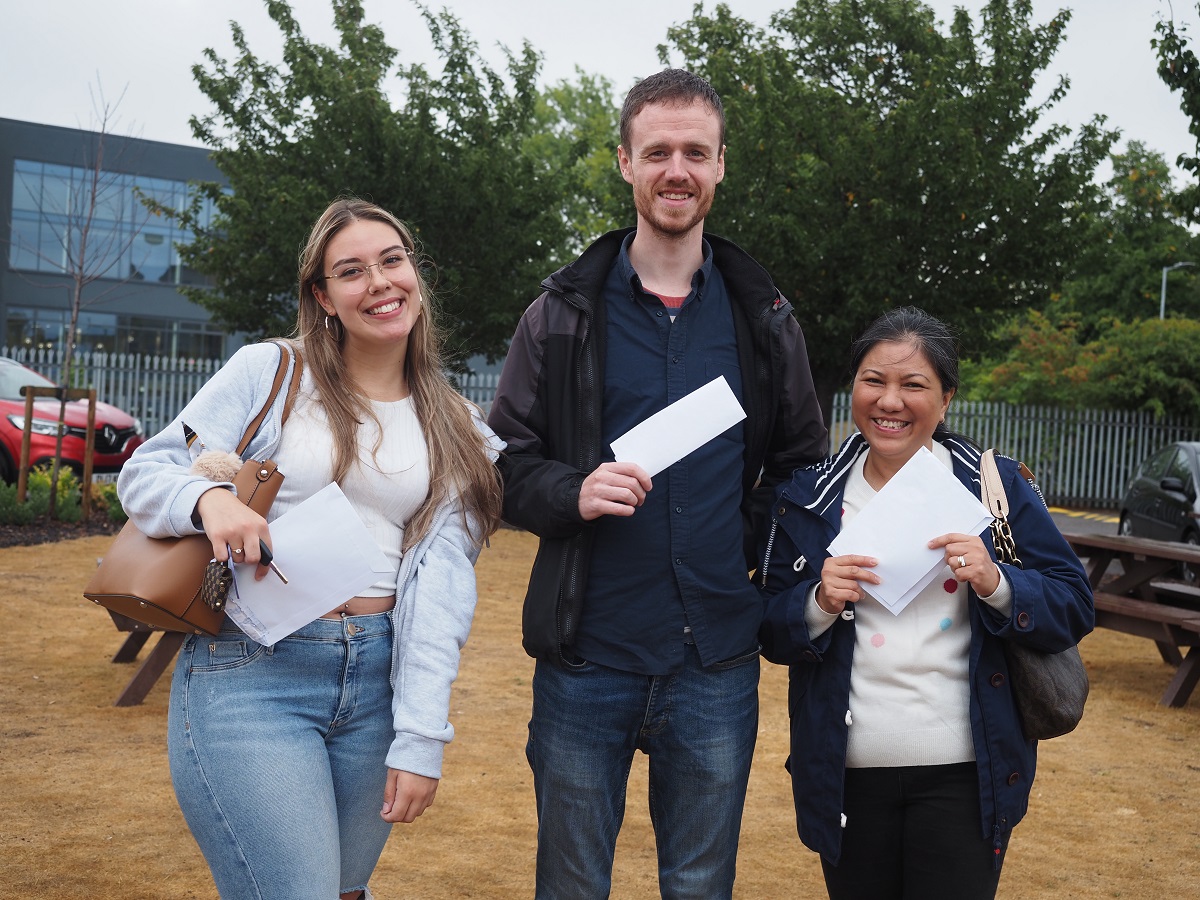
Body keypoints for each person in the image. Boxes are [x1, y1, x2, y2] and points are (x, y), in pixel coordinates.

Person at [486, 68, 828, 898]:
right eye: (659, 151)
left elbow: (801, 469)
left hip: (715, 658)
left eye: (695, 153)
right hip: (586, 656)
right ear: (625, 163)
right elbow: (502, 463)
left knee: (701, 886)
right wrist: (571, 493)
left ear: (719, 168)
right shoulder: (560, 314)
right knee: (571, 886)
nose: (677, 169)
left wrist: (742, 538)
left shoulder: (764, 318)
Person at [117, 198, 503, 900]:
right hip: (253, 673)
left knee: (344, 892)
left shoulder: (458, 424)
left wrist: (421, 738)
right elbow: (146, 471)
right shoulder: (272, 372)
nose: (380, 283)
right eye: (351, 272)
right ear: (323, 297)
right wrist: (212, 499)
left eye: (392, 260)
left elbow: (444, 588)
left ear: (416, 273)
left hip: (378, 683)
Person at [758, 306, 1095, 900]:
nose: (890, 401)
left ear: (945, 400)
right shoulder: (810, 496)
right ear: (853, 389)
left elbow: (1074, 604)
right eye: (874, 381)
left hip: (966, 773)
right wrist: (815, 602)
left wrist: (998, 583)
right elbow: (766, 624)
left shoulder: (995, 487)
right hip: (847, 774)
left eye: (914, 385)